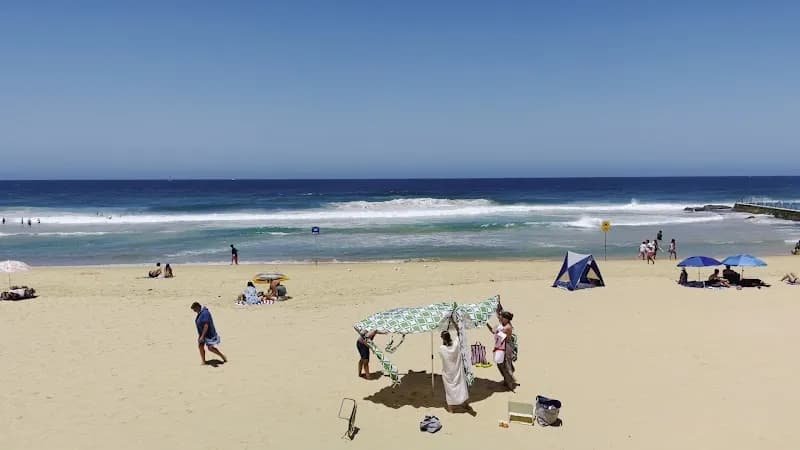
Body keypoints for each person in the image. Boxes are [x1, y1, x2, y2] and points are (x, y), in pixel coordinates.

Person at [438, 330, 470, 413]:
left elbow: (442, 355)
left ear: (443, 339)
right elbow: (459, 335)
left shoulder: (442, 348)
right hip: (457, 371)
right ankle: (466, 404)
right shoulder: (456, 345)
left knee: (449, 390)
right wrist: (455, 324)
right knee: (462, 387)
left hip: (448, 373)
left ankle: (451, 409)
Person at [486, 310, 516, 391]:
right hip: (500, 347)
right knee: (500, 365)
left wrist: (493, 326)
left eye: (502, 317)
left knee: (506, 365)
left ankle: (510, 384)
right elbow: (493, 331)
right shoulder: (502, 325)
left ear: (506, 319)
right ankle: (507, 380)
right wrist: (486, 323)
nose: (501, 318)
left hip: (506, 348)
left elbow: (495, 331)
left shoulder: (507, 327)